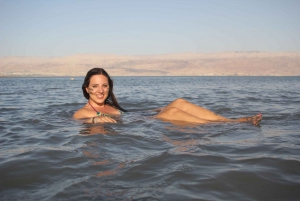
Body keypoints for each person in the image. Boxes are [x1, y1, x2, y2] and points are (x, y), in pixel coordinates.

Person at [73, 68, 262, 125]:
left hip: (142, 118)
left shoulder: (110, 105)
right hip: (143, 127)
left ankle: (231, 120)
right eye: (95, 86)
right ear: (86, 89)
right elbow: (80, 119)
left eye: (104, 85)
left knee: (178, 102)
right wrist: (96, 121)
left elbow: (129, 115)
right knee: (172, 111)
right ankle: (228, 125)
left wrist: (153, 110)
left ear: (109, 87)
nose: (100, 90)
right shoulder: (83, 112)